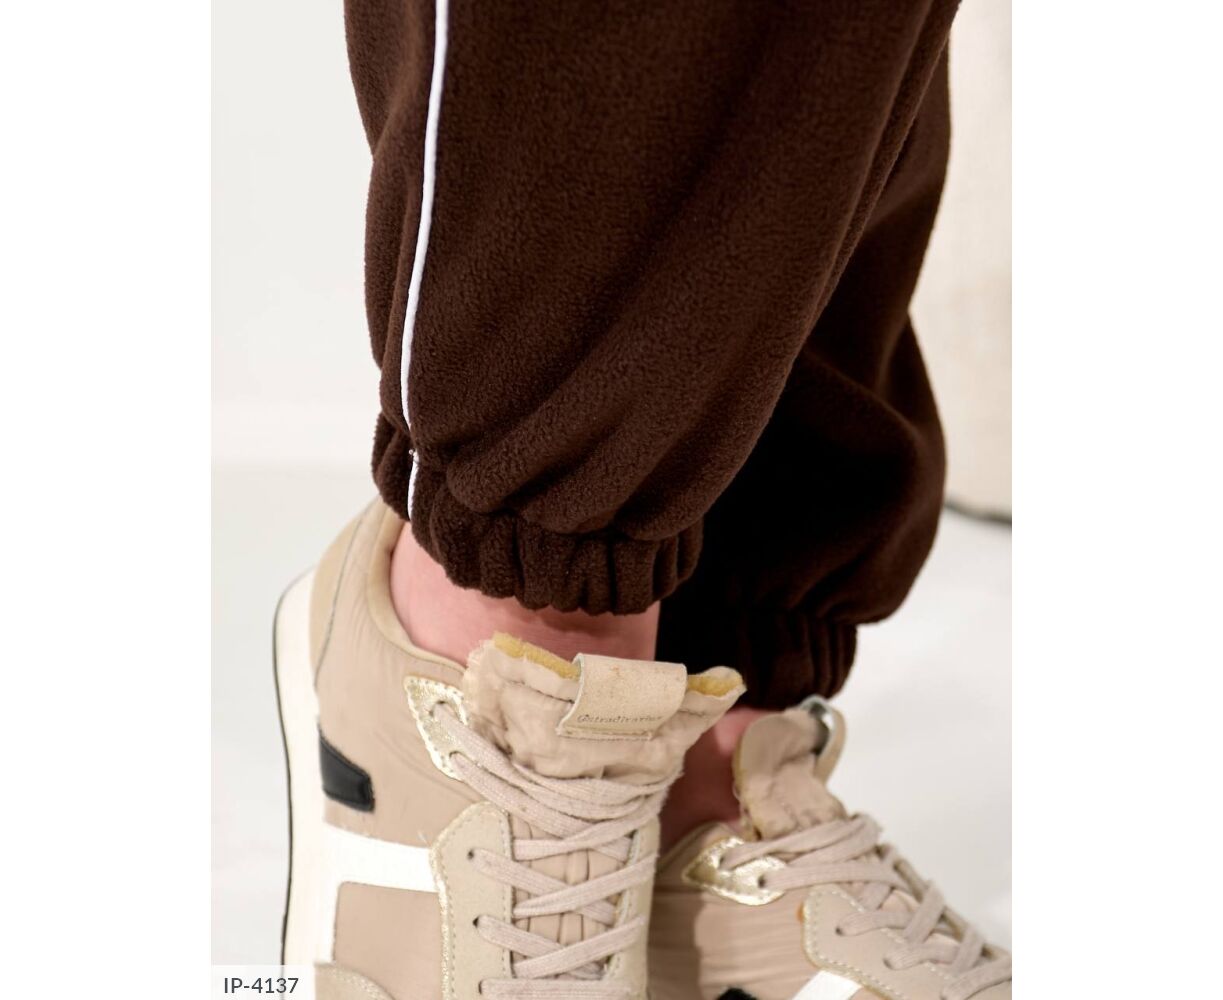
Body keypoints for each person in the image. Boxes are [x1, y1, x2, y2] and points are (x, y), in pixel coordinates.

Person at [272, 2, 1011, 998]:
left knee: (834, 55)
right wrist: (536, 528)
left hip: (729, 556)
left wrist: (753, 625)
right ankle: (498, 658)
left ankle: (693, 771)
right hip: (515, 522)